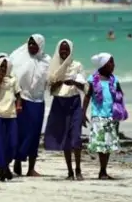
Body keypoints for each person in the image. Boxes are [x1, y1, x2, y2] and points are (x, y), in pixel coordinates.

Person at [44, 39, 87, 180]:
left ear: (71, 50)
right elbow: (51, 88)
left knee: (76, 137)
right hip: (59, 103)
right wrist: (61, 81)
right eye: (62, 49)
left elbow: (84, 88)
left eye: (66, 49)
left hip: (74, 102)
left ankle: (78, 169)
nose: (64, 51)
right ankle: (69, 171)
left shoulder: (77, 65)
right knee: (65, 138)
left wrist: (73, 82)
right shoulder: (54, 66)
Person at [10, 34, 51, 177]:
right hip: (22, 99)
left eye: (35, 44)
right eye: (30, 44)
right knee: (21, 133)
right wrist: (17, 99)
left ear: (41, 45)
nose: (32, 47)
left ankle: (31, 168)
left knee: (34, 134)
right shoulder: (19, 58)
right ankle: (17, 162)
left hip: (38, 101)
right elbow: (13, 78)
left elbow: (50, 80)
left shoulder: (47, 61)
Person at [82, 53, 125, 180]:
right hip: (98, 116)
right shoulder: (93, 79)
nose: (113, 65)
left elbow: (120, 95)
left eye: (113, 62)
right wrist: (83, 112)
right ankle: (102, 171)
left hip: (111, 116)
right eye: (111, 62)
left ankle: (103, 171)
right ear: (103, 64)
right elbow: (87, 96)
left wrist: (120, 110)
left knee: (109, 145)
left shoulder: (114, 80)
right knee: (101, 145)